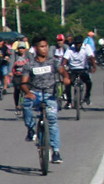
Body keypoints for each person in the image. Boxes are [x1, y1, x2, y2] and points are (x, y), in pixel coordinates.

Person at [21, 36, 70, 164]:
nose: (45, 49)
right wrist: (28, 92)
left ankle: (56, 151)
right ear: (35, 48)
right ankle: (31, 129)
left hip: (50, 94)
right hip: (35, 93)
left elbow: (62, 71)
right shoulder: (29, 65)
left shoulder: (53, 61)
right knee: (26, 104)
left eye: (46, 46)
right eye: (42, 47)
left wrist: (65, 77)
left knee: (52, 119)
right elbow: (24, 82)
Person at [62, 36, 96, 107]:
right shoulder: (70, 49)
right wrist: (63, 68)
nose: (78, 45)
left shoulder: (86, 47)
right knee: (67, 84)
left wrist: (94, 66)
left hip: (83, 69)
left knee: (89, 83)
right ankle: (69, 101)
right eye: (76, 43)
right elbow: (65, 59)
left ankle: (87, 97)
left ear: (81, 43)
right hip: (72, 70)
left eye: (79, 43)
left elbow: (91, 57)